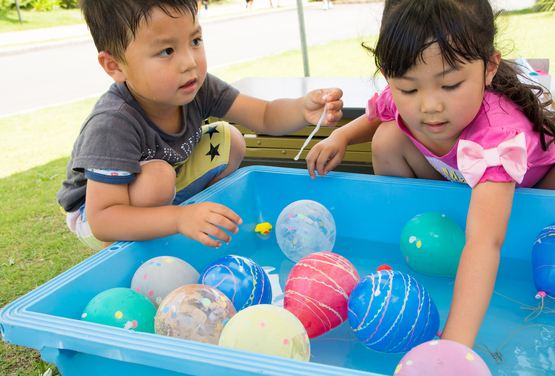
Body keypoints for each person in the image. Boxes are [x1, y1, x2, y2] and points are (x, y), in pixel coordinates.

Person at [305, 0, 555, 348]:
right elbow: (380, 113)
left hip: (540, 183)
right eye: (408, 88)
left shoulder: (497, 132)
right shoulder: (412, 95)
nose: (429, 105)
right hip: (460, 186)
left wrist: (453, 345)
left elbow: (484, 242)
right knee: (387, 138)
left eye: (450, 86)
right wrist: (340, 135)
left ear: (490, 68)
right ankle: (423, 240)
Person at [57, 0, 343, 251]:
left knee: (230, 139)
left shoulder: (197, 87)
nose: (190, 62)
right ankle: (128, 252)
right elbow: (104, 218)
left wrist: (301, 109)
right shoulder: (113, 123)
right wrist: (180, 218)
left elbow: (265, 115)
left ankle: (188, 218)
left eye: (195, 41)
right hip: (100, 209)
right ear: (115, 66)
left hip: (165, 181)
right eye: (167, 51)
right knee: (158, 179)